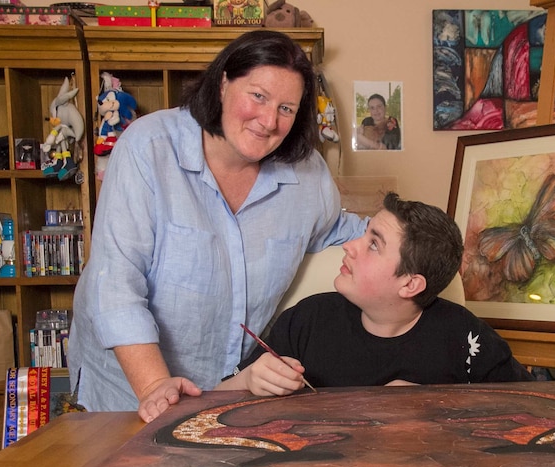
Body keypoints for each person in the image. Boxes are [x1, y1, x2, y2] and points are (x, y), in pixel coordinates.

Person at [68, 30, 366, 422]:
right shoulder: (149, 146)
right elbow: (116, 281)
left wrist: (431, 236)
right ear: (224, 82)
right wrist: (155, 387)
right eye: (258, 96)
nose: (268, 121)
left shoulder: (308, 173)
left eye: (287, 109)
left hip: (226, 393)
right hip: (127, 388)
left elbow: (340, 231)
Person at [217, 192, 533, 395]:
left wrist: (437, 408)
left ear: (410, 284)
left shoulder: (465, 338)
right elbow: (214, 401)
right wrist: (246, 382)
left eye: (373, 244)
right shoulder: (306, 320)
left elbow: (537, 405)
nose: (349, 246)